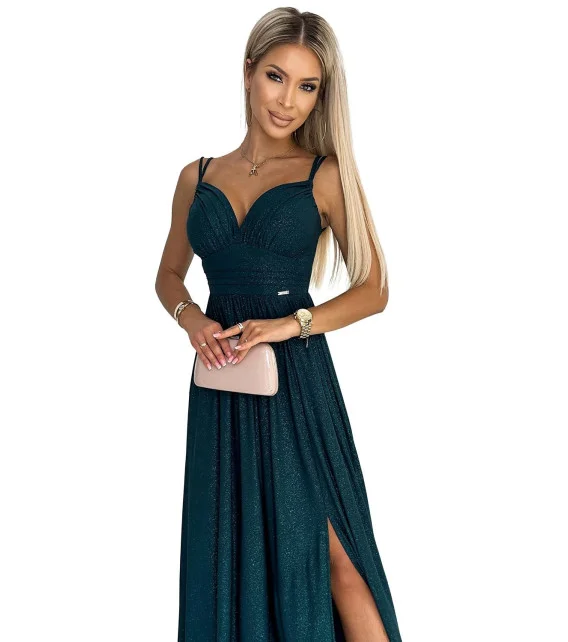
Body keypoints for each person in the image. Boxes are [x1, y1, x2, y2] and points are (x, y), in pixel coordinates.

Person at [155, 7, 404, 641]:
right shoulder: (197, 176)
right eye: (276, 76)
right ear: (247, 72)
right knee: (233, 554)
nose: (288, 100)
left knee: (333, 553)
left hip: (296, 383)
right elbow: (168, 275)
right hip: (222, 379)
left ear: (321, 95)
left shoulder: (324, 175)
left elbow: (375, 290)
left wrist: (290, 325)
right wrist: (191, 320)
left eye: (307, 86)